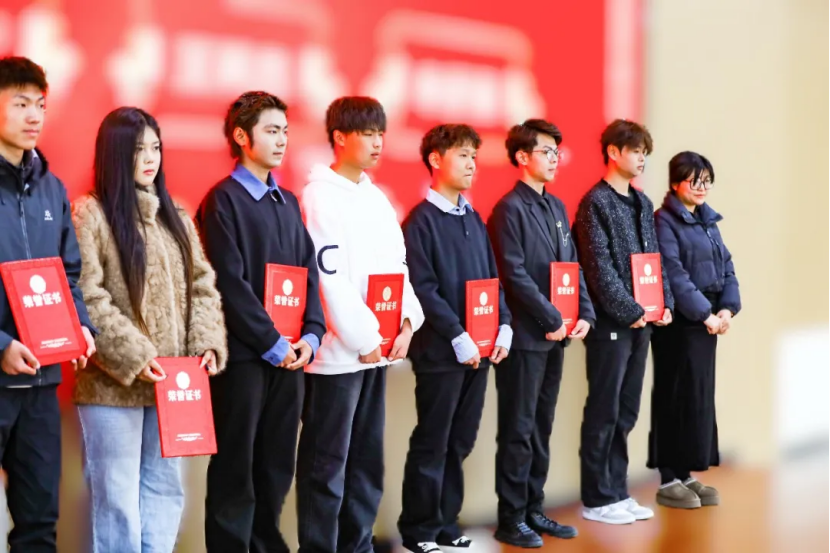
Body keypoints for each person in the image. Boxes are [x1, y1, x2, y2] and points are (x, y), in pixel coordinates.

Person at [72, 106, 227, 552]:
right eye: (138, 148)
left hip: (173, 385)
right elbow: (86, 295)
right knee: (116, 499)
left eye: (155, 147)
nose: (150, 158)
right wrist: (137, 356)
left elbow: (203, 285)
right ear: (115, 152)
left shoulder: (174, 214)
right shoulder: (90, 214)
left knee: (165, 490)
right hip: (112, 386)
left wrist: (206, 343)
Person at [197, 91, 326, 553]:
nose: (282, 140)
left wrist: (311, 334)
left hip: (290, 360)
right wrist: (272, 342)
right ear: (241, 136)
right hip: (245, 361)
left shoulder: (287, 202)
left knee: (275, 468)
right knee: (236, 470)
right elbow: (228, 284)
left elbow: (308, 273)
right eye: (271, 131)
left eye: (285, 131)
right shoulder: (222, 202)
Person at [297, 96, 425, 552]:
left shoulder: (376, 198)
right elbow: (327, 279)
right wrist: (365, 337)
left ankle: (359, 546)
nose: (377, 143)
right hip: (337, 357)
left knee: (366, 462)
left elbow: (398, 267)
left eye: (380, 134)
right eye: (367, 134)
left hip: (377, 354)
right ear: (339, 137)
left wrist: (406, 323)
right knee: (326, 465)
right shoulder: (318, 196)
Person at [398, 124, 512, 553]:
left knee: (460, 441)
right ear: (435, 159)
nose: (471, 164)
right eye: (462, 155)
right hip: (440, 353)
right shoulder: (420, 221)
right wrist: (457, 333)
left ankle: (446, 524)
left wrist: (503, 323)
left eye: (473, 157)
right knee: (433, 440)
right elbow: (424, 287)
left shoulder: (473, 219)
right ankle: (420, 530)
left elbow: (492, 278)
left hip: (478, 353)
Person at [0, 56, 97, 553]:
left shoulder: (51, 188)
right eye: (20, 104)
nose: (34, 115)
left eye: (40, 104)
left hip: (40, 383)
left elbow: (68, 273)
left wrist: (80, 326)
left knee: (39, 522)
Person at [488, 119, 595, 547]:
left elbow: (572, 266)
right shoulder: (508, 209)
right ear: (521, 157)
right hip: (526, 338)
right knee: (518, 428)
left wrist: (584, 311)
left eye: (556, 152)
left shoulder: (556, 207)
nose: (554, 160)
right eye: (546, 152)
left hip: (556, 337)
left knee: (540, 427)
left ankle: (534, 509)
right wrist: (552, 318)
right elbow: (513, 274)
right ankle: (511, 518)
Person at [573, 118, 674, 525]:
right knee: (604, 408)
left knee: (627, 409)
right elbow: (598, 268)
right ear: (613, 152)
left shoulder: (642, 203)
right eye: (635, 151)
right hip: (611, 325)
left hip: (642, 323)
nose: (642, 158)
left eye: (645, 152)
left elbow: (654, 260)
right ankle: (597, 498)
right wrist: (631, 311)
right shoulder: (594, 203)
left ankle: (617, 491)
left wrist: (663, 303)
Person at [649, 152, 740, 509]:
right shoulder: (664, 221)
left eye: (706, 181)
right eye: (694, 181)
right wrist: (705, 314)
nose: (702, 188)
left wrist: (727, 309)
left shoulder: (707, 221)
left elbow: (727, 266)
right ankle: (669, 477)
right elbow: (673, 273)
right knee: (675, 395)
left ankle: (686, 473)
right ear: (675, 183)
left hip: (707, 322)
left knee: (697, 397)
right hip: (681, 324)